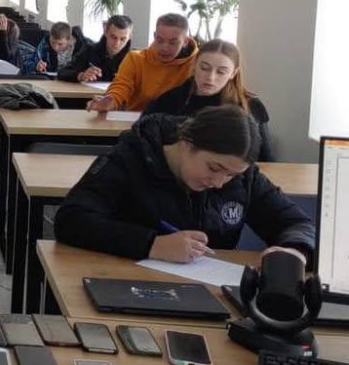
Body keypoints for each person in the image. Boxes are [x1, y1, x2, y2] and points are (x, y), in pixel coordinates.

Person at [54, 106, 313, 268]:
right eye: (214, 168)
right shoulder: (131, 158)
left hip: (209, 291)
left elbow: (297, 224)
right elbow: (72, 219)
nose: (219, 182)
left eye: (231, 175)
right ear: (187, 143)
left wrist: (295, 251)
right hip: (125, 280)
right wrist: (152, 244)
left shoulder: (244, 178)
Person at [143, 39, 274, 161]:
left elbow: (265, 159)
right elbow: (142, 144)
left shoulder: (250, 105)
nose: (210, 77)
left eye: (221, 72)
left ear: (233, 74)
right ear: (195, 65)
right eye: (204, 68)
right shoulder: (167, 101)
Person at [86, 13, 198, 112]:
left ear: (185, 41)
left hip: (177, 124)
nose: (164, 48)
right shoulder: (135, 59)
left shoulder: (197, 64)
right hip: (135, 122)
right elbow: (121, 85)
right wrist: (111, 100)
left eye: (172, 43)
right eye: (160, 40)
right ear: (154, 36)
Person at [57, 15, 133, 83]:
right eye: (113, 37)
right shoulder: (89, 50)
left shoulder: (134, 59)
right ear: (105, 32)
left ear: (129, 37)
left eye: (123, 39)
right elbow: (63, 72)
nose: (117, 43)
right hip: (89, 94)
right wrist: (81, 76)